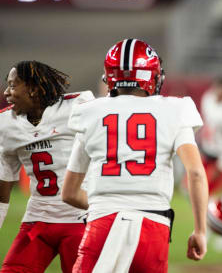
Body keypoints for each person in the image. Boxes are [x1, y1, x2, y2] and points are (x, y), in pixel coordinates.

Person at [61, 39, 209, 272]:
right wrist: (200, 230)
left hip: (102, 224)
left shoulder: (90, 113)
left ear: (109, 78)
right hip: (153, 227)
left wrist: (111, 203)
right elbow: (196, 173)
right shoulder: (175, 109)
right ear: (153, 76)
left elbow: (69, 193)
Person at [0, 61, 94, 273]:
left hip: (80, 219)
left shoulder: (78, 106)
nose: (6, 92)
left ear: (33, 89)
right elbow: (3, 187)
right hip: (38, 220)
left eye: (13, 85)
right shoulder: (6, 124)